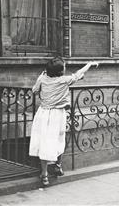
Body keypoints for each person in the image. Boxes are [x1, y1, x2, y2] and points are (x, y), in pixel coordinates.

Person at [29, 57, 99, 186]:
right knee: (59, 139)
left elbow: (34, 90)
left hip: (43, 113)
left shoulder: (43, 78)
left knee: (43, 142)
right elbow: (78, 74)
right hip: (57, 114)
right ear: (60, 70)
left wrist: (42, 75)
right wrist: (89, 64)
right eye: (64, 67)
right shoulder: (64, 80)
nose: (65, 68)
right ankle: (57, 165)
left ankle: (44, 175)